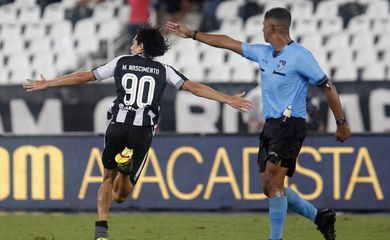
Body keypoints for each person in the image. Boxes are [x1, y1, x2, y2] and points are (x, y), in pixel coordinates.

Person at [23, 25, 254, 240]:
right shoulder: (164, 70)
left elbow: (84, 77)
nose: (132, 45)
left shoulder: (122, 62)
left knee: (106, 178)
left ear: (141, 45)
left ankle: (101, 232)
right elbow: (193, 87)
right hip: (142, 132)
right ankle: (126, 170)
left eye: (135, 42)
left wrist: (48, 83)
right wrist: (227, 98)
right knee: (122, 195)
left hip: (118, 126)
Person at [166, 7, 350, 240]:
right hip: (271, 126)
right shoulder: (263, 53)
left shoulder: (300, 56)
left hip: (291, 125)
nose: (262, 30)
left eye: (263, 26)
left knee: (274, 184)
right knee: (269, 186)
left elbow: (327, 86)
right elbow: (227, 43)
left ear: (271, 27)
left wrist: (341, 122)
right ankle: (319, 217)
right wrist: (192, 34)